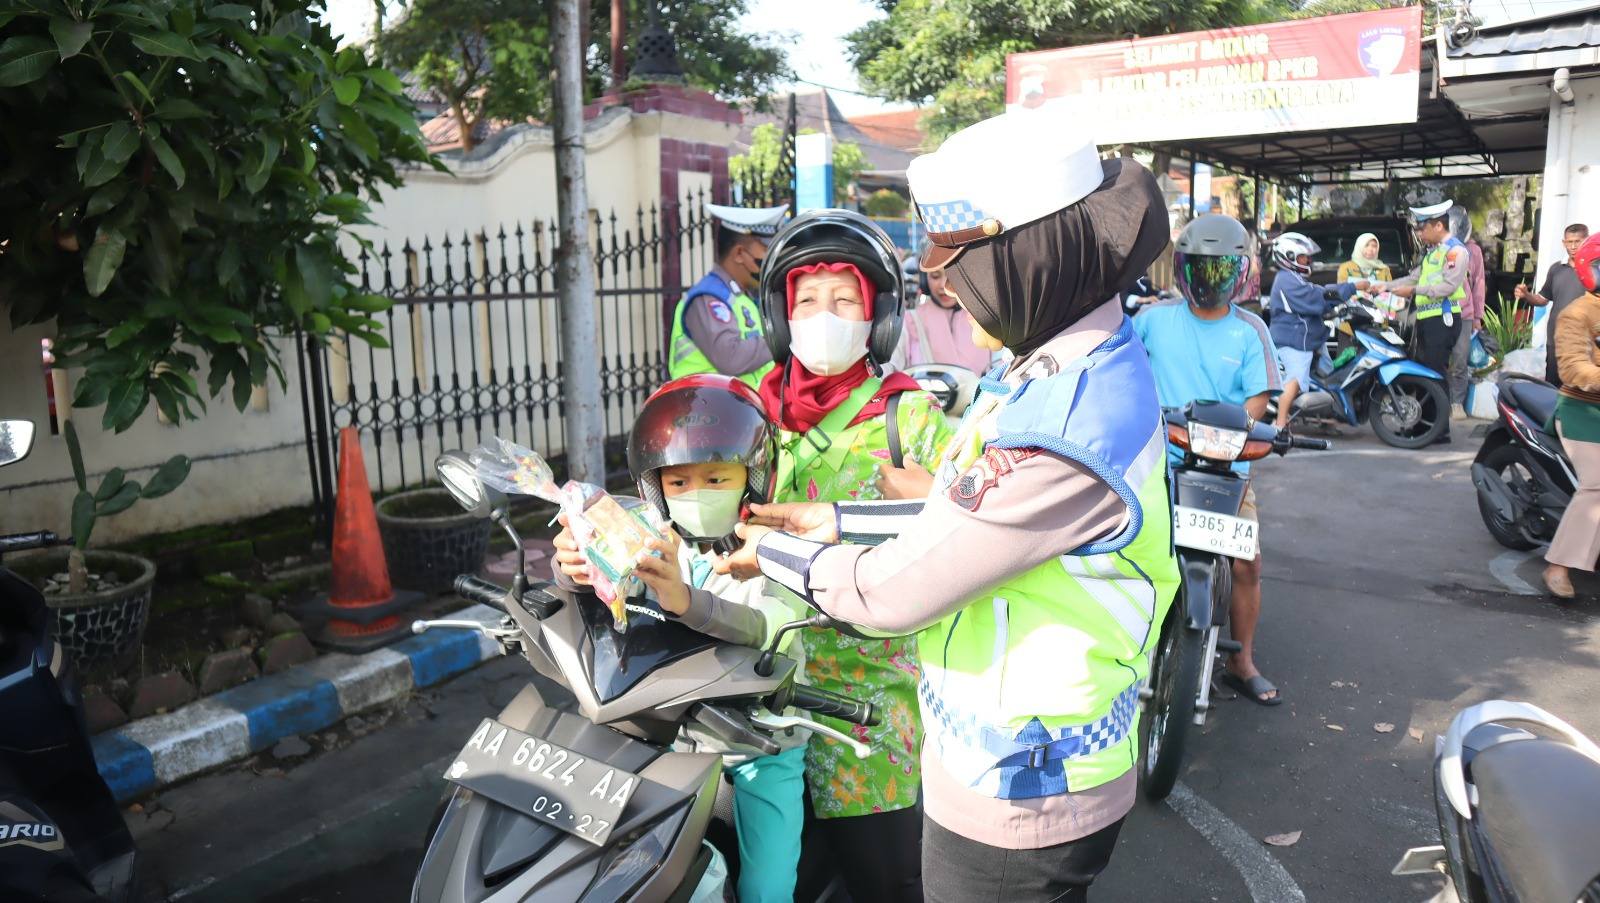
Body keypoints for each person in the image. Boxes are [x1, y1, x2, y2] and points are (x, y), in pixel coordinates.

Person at [720, 112, 1178, 902]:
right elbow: (976, 528)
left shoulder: (1068, 429)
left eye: (962, 259)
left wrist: (773, 552)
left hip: (1025, 787)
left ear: (1027, 253)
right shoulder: (1060, 369)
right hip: (1000, 763)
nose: (949, 285)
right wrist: (836, 521)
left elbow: (889, 593)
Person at [751, 209, 954, 902]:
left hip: (871, 699)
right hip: (759, 684)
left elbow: (971, 525)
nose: (822, 316)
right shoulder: (749, 411)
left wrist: (928, 502)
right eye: (807, 300)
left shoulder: (910, 416)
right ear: (781, 315)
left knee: (886, 880)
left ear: (877, 316)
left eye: (844, 300)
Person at [548, 374, 808, 903]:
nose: (695, 495)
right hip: (664, 731)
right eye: (678, 482)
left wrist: (687, 601)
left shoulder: (780, 545)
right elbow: (601, 592)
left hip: (755, 747)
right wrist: (572, 566)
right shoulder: (650, 538)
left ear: (754, 478)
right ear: (654, 488)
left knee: (767, 888)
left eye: (716, 479)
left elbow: (765, 627)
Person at [1136, 215, 1287, 705]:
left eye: (1221, 270)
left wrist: (1214, 437)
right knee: (1130, 547)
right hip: (1159, 463)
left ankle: (1242, 661)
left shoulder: (1251, 331)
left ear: (1239, 273)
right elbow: (1126, 376)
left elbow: (1257, 402)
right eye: (1202, 269)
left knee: (1247, 565)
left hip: (1226, 470)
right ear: (1183, 270)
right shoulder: (1153, 320)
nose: (1210, 280)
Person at [1371, 200, 1469, 444]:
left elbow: (1448, 285)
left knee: (1434, 374)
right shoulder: (1433, 252)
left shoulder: (1456, 251)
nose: (1419, 233)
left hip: (1442, 318)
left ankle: (1438, 430)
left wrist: (1412, 292)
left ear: (1438, 225)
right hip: (1427, 318)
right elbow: (1414, 277)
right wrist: (1387, 286)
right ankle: (1425, 425)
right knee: (1423, 371)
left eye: (1422, 228)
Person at [668, 204, 790, 388]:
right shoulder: (709, 298)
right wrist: (783, 337)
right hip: (705, 411)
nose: (771, 259)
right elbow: (731, 358)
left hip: (737, 411)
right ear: (740, 253)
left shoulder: (742, 297)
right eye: (766, 250)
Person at [1541, 233, 1600, 599]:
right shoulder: (1576, 314)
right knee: (1598, 487)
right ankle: (1559, 565)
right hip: (1583, 414)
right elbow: (1574, 369)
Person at [1268, 231, 1366, 429]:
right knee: (1295, 380)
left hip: (1308, 336)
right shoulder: (1287, 280)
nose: (1308, 261)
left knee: (1327, 373)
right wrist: (1351, 287)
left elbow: (1314, 300)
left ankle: (1323, 414)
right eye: (1303, 257)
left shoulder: (1293, 277)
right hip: (1294, 340)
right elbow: (1316, 297)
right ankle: (1279, 424)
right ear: (1289, 257)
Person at [1517, 223, 1593, 386]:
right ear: (1563, 242)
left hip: (1584, 340)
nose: (1573, 246)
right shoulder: (1556, 269)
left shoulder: (1594, 270)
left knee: (1580, 388)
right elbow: (1543, 300)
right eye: (1569, 242)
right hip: (1556, 338)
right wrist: (1526, 295)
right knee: (1552, 386)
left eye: (1577, 241)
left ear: (1587, 241)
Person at [892, 263, 996, 373]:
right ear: (924, 280)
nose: (943, 285)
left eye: (953, 276)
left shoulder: (985, 318)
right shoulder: (909, 322)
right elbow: (889, 368)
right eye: (936, 276)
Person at [1450, 207, 1488, 415]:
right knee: (1436, 360)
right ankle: (1436, 402)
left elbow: (1478, 283)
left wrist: (1477, 317)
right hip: (1437, 313)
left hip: (1464, 314)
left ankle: (1456, 403)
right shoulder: (1437, 248)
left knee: (1460, 359)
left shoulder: (1473, 251)